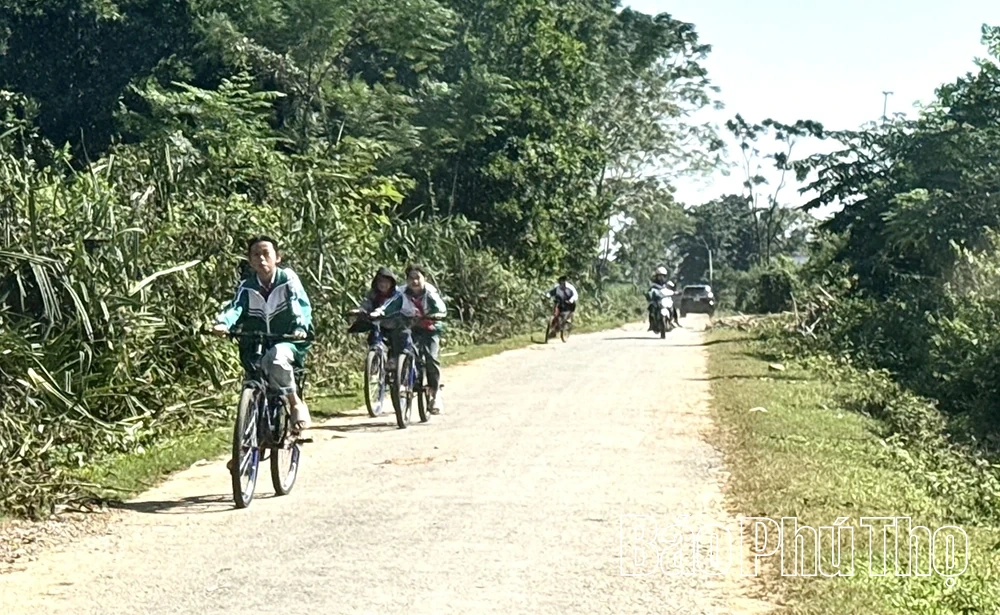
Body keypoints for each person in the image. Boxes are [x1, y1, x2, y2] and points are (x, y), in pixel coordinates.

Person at [211, 235, 314, 433]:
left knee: (276, 358)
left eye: (266, 253)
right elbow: (236, 307)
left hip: (288, 339)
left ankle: (294, 404)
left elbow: (299, 305)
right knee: (252, 380)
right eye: (256, 255)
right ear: (250, 260)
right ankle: (244, 445)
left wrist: (300, 327)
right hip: (256, 340)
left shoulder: (287, 280)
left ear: (278, 257)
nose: (261, 259)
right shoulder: (247, 286)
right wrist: (223, 323)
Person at [368, 264, 447, 414]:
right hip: (412, 327)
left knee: (431, 358)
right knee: (404, 347)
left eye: (418, 278)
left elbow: (441, 308)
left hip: (430, 328)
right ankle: (404, 377)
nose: (414, 281)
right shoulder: (402, 293)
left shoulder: (430, 293)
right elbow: (390, 305)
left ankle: (434, 393)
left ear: (425, 278)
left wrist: (438, 315)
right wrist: (379, 312)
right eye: (411, 278)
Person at [348, 266, 401, 350]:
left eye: (386, 282)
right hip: (379, 324)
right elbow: (367, 303)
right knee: (373, 340)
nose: (383, 284)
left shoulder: (397, 294)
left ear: (392, 283)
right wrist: (360, 311)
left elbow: (393, 306)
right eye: (380, 281)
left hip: (395, 324)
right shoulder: (373, 293)